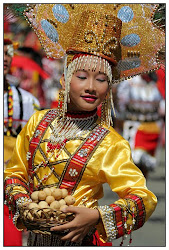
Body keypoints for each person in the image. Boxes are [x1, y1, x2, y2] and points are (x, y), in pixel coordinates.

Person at [4, 4, 165, 246]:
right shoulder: (38, 122)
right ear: (65, 79)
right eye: (81, 77)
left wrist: (97, 216)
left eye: (101, 79)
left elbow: (144, 197)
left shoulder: (111, 142)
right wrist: (25, 203)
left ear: (109, 88)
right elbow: (14, 174)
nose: (91, 86)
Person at [4, 38, 40, 246]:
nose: (5, 58)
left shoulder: (26, 101)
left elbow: (34, 148)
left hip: (9, 191)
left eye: (8, 52)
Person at [116, 72, 165, 178]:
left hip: (154, 128)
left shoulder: (158, 81)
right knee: (135, 159)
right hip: (135, 127)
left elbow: (163, 103)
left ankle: (142, 190)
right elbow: (121, 104)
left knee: (147, 164)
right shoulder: (130, 81)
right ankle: (133, 190)